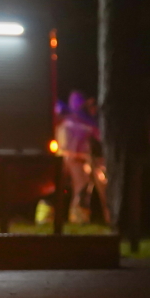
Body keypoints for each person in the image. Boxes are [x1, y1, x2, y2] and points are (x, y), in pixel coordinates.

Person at [55, 91, 104, 224]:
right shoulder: (83, 122)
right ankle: (78, 217)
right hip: (76, 159)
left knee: (61, 187)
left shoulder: (67, 120)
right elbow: (99, 135)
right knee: (81, 187)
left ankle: (71, 217)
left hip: (63, 158)